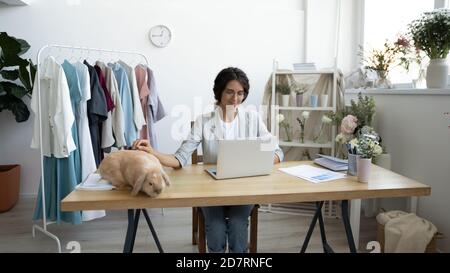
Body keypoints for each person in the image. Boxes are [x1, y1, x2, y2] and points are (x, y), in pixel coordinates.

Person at [132, 67, 284, 253]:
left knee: (237, 226)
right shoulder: (203, 121)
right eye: (230, 92)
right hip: (212, 189)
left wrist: (259, 162)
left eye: (240, 93)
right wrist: (152, 151)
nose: (235, 99)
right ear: (219, 92)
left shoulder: (252, 119)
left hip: (244, 188)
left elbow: (278, 152)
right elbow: (179, 158)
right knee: (217, 229)